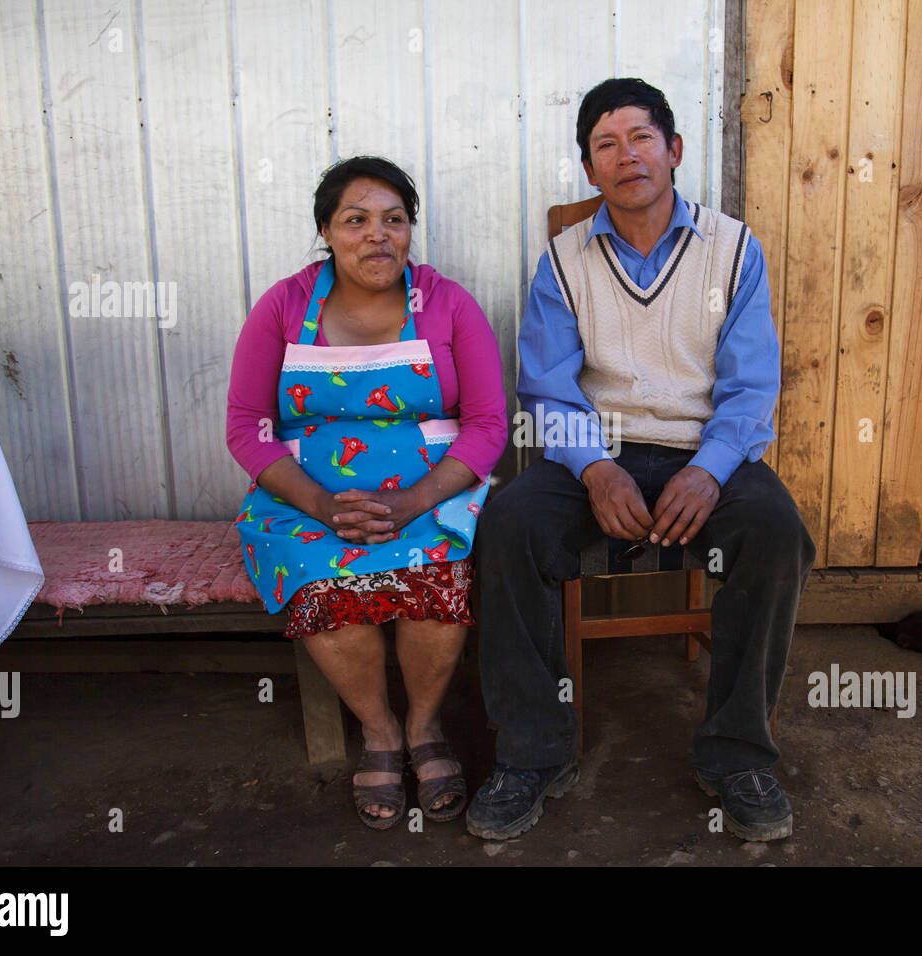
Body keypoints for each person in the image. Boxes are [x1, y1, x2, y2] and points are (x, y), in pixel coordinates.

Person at [466, 78, 815, 842]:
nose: (627, 156)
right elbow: (549, 391)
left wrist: (712, 468)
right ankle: (532, 750)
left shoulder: (733, 250)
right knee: (508, 527)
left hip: (704, 455)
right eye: (605, 145)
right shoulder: (563, 261)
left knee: (775, 531)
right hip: (597, 454)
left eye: (641, 138)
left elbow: (753, 386)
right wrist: (594, 467)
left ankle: (736, 754)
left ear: (674, 150)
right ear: (591, 171)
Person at [226, 157, 506, 830]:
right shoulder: (285, 306)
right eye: (356, 220)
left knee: (435, 574)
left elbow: (490, 424)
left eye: (394, 220)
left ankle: (423, 726)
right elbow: (246, 426)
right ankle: (378, 731)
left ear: (410, 231)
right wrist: (321, 506)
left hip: (431, 490)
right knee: (324, 582)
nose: (377, 235)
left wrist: (416, 501)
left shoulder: (446, 303)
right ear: (326, 231)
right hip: (309, 498)